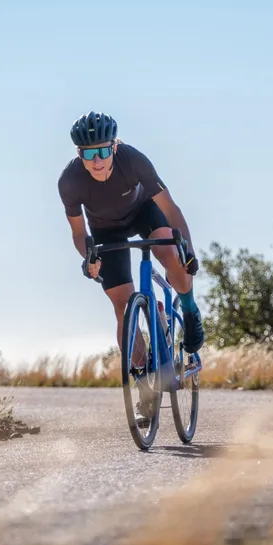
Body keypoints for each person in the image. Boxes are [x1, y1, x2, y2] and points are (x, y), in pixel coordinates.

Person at [58, 111, 205, 418]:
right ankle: (143, 388)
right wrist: (89, 258)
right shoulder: (70, 181)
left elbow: (170, 209)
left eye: (102, 151)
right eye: (89, 154)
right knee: (123, 308)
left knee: (170, 255)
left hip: (144, 212)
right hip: (105, 231)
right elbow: (78, 233)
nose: (97, 161)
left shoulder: (134, 161)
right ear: (79, 154)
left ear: (114, 147)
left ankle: (190, 310)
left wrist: (187, 249)